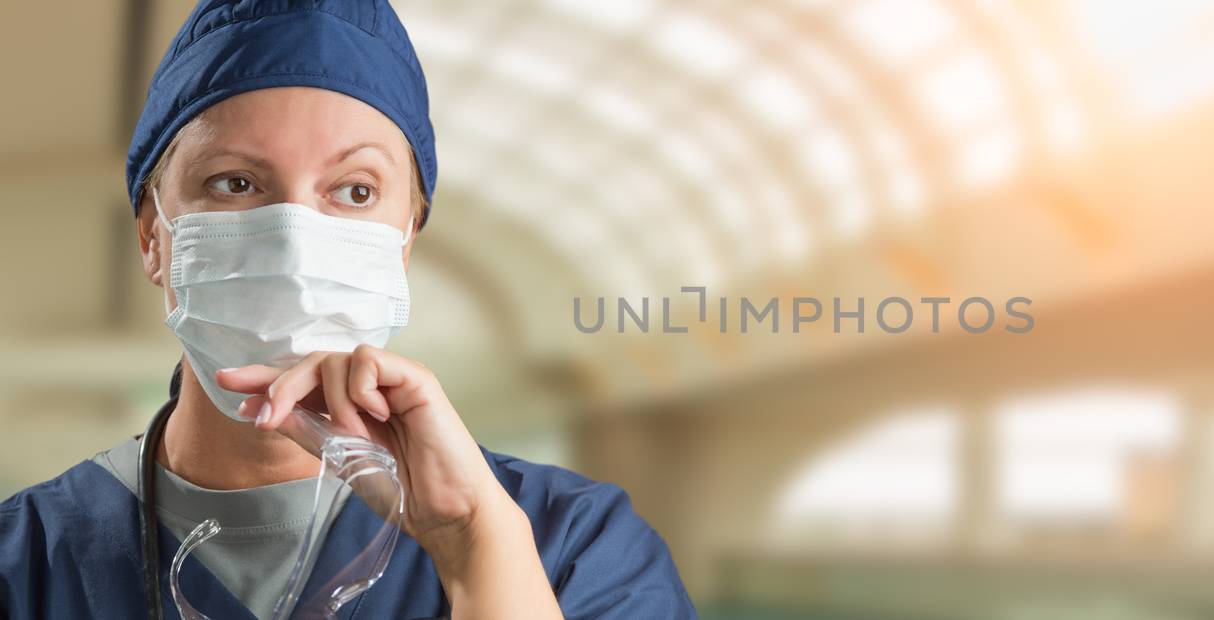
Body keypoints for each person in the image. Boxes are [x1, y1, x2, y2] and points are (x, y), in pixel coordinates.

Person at [0, 1, 694, 618]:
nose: (294, 238)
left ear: (403, 244)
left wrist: (477, 545)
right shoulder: (21, 563)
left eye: (355, 191)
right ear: (155, 239)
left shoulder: (576, 549)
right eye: (235, 183)